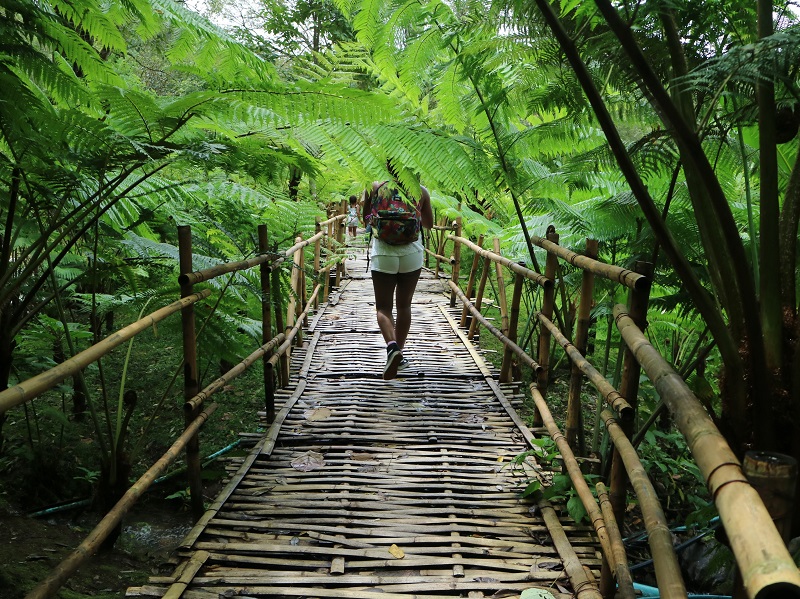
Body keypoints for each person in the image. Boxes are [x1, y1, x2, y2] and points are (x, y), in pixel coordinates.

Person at [363, 161, 434, 380]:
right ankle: (399, 355)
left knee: (383, 307)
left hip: (383, 253)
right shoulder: (420, 191)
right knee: (404, 306)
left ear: (387, 167)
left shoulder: (375, 187)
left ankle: (392, 347)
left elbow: (365, 219)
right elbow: (428, 224)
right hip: (411, 254)